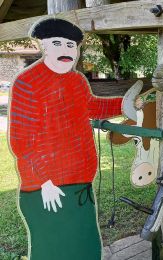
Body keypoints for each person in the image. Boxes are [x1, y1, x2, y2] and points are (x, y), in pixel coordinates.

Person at [8, 18, 138, 260]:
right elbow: (21, 142)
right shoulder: (27, 83)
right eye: (57, 43)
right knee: (53, 252)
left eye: (71, 45)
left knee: (86, 249)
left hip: (80, 186)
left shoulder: (77, 81)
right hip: (45, 190)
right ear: (44, 46)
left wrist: (125, 104)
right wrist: (44, 181)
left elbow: (92, 106)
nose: (66, 51)